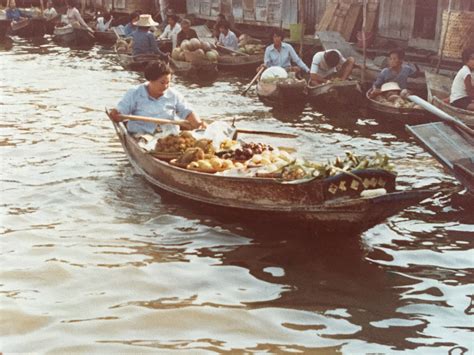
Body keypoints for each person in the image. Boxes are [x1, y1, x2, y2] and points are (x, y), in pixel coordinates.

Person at [109, 60, 205, 135]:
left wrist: (199, 124)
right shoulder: (135, 93)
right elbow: (121, 111)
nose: (166, 86)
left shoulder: (174, 95)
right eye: (162, 83)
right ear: (151, 80)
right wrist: (116, 114)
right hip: (142, 135)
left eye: (168, 83)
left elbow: (187, 111)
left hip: (169, 136)